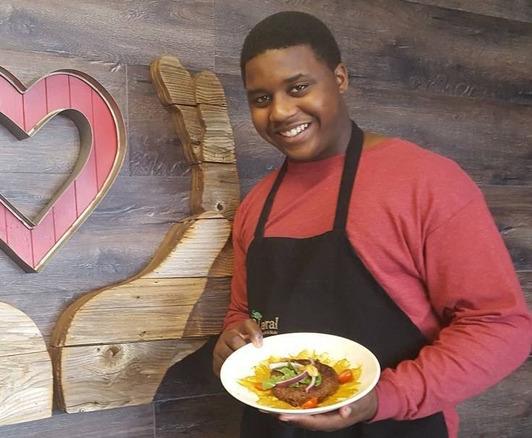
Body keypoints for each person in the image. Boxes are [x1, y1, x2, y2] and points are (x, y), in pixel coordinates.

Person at [212, 10, 531, 438]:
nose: (282, 111)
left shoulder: (426, 182)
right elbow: (244, 313)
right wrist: (233, 342)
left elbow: (500, 326)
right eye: (261, 98)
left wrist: (385, 396)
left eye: (299, 87)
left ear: (339, 78)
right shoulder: (255, 206)